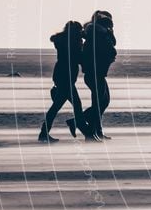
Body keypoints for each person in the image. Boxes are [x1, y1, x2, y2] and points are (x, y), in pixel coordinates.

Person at [38, 21, 92, 142]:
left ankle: (44, 132)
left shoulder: (62, 41)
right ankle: (86, 132)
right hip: (67, 77)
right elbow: (79, 58)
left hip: (60, 75)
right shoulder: (74, 43)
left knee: (58, 106)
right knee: (74, 105)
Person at [77, 10, 117, 140]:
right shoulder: (96, 35)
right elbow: (100, 52)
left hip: (98, 73)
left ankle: (96, 130)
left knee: (104, 101)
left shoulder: (102, 34)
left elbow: (112, 45)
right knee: (100, 102)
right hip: (94, 73)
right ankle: (90, 131)